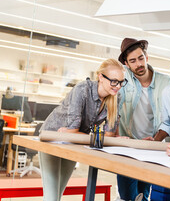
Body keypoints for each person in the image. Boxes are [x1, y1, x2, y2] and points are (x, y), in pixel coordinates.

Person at [39, 58, 127, 201]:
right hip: (51, 137)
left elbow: (109, 134)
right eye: (114, 81)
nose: (118, 86)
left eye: (122, 82)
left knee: (59, 192)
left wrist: (75, 135)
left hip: (75, 142)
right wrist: (96, 137)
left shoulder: (116, 97)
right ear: (100, 77)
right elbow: (77, 131)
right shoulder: (82, 89)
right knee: (51, 197)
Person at [117, 38, 170, 201]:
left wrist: (156, 140)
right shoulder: (122, 81)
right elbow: (114, 112)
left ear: (146, 57)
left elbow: (169, 119)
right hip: (128, 147)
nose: (138, 64)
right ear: (126, 64)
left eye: (141, 58)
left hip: (153, 147)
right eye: (133, 61)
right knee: (128, 196)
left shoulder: (165, 82)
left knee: (144, 193)